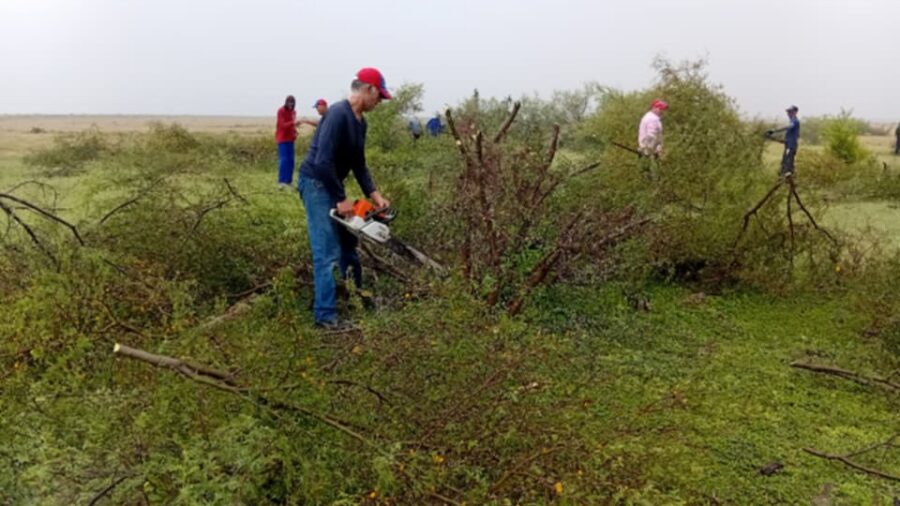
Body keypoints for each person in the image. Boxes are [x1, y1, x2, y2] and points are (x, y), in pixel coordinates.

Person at [297, 67, 392, 329]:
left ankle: (357, 298)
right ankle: (325, 317)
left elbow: (358, 164)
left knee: (348, 245)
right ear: (368, 89)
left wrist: (374, 194)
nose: (379, 102)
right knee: (326, 251)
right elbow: (322, 161)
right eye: (379, 96)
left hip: (331, 183)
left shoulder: (361, 122)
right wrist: (340, 199)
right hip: (317, 183)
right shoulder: (338, 114)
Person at [766, 105, 801, 177]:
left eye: (790, 112)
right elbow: (785, 140)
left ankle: (789, 180)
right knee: (784, 163)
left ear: (795, 112)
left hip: (791, 146)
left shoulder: (795, 121)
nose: (789, 113)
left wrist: (774, 130)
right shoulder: (791, 122)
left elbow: (787, 127)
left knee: (788, 165)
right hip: (788, 145)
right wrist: (773, 138)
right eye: (788, 112)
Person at [275, 95, 300, 188]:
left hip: (291, 139)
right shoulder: (281, 111)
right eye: (289, 102)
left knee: (291, 161)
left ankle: (289, 181)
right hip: (282, 139)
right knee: (284, 160)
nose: (290, 104)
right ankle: (282, 182)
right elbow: (282, 125)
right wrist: (293, 123)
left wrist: (295, 131)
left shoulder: (293, 112)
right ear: (286, 102)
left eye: (292, 102)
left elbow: (291, 126)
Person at [637, 99, 668, 174]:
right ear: (654, 108)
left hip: (647, 150)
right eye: (660, 109)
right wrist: (656, 151)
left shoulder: (650, 117)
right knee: (652, 175)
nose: (662, 111)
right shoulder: (652, 119)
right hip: (649, 153)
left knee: (646, 174)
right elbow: (651, 136)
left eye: (662, 109)